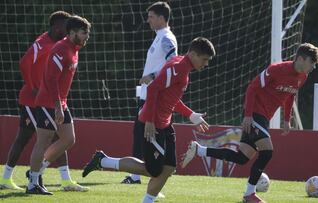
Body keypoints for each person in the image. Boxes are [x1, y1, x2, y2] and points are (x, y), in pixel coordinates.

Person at [181, 43, 318, 203]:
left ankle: (199, 150)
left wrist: (287, 119)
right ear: (301, 58)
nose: (313, 67)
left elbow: (290, 96)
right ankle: (249, 194)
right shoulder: (276, 69)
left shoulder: (303, 77)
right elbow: (252, 88)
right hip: (254, 113)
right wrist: (248, 115)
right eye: (312, 62)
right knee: (267, 152)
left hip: (264, 118)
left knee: (241, 158)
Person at [82, 37, 216, 203]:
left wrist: (190, 114)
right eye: (204, 60)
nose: (206, 64)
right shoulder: (178, 67)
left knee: (169, 167)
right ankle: (103, 161)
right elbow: (152, 88)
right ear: (193, 54)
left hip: (165, 122)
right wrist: (150, 121)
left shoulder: (183, 66)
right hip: (154, 123)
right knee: (154, 170)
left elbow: (169, 98)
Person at [0, 11, 85, 192]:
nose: (66, 29)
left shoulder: (68, 47)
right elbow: (24, 63)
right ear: (58, 27)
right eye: (65, 26)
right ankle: (14, 178)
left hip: (56, 100)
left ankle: (57, 178)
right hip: (36, 99)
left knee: (63, 138)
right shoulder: (44, 44)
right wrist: (33, 86)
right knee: (28, 138)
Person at [25, 15, 91, 195]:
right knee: (43, 141)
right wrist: (57, 106)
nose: (87, 36)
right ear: (71, 33)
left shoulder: (74, 48)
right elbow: (51, 79)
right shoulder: (60, 49)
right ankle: (32, 184)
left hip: (60, 101)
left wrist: (61, 104)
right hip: (49, 102)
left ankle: (36, 171)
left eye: (87, 33)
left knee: (69, 139)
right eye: (83, 33)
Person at [121, 1, 178, 186]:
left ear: (162, 18)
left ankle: (142, 177)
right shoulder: (159, 36)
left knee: (146, 136)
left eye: (151, 17)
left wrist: (153, 76)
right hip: (147, 96)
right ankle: (140, 177)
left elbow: (173, 63)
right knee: (141, 135)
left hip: (153, 98)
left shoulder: (167, 38)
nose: (148, 20)